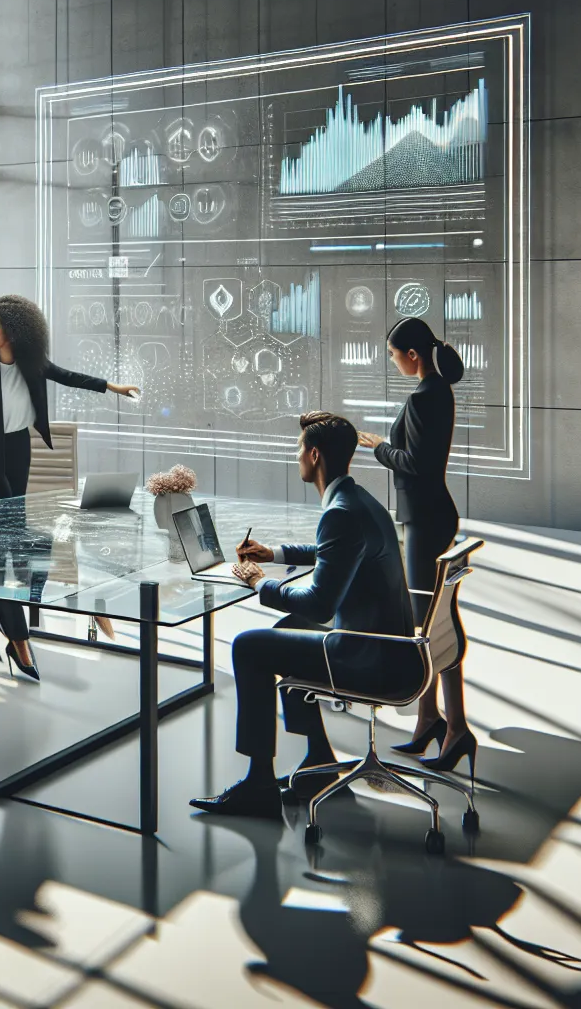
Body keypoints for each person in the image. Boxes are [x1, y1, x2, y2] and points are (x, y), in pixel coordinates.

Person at [188, 412, 419, 821]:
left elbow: (319, 605)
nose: (297, 458)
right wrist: (273, 554)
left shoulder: (340, 512)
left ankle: (258, 785)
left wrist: (259, 583)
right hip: (394, 648)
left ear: (314, 455)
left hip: (368, 658)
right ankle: (317, 760)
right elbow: (336, 553)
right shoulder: (360, 501)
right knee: (288, 631)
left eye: (299, 451)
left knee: (249, 647)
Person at [0, 294, 140, 679]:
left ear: (16, 331)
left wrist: (113, 387)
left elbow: (69, 376)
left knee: (2, 540)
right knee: (0, 540)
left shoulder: (31, 364)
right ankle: (18, 639)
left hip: (18, 450)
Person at [355, 316, 471, 773]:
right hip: (429, 516)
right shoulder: (438, 392)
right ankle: (430, 719)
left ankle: (456, 728)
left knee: (430, 626)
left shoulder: (425, 396)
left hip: (425, 519)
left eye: (393, 355)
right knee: (433, 622)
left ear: (413, 356)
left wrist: (379, 446)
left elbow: (415, 464)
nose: (392, 362)